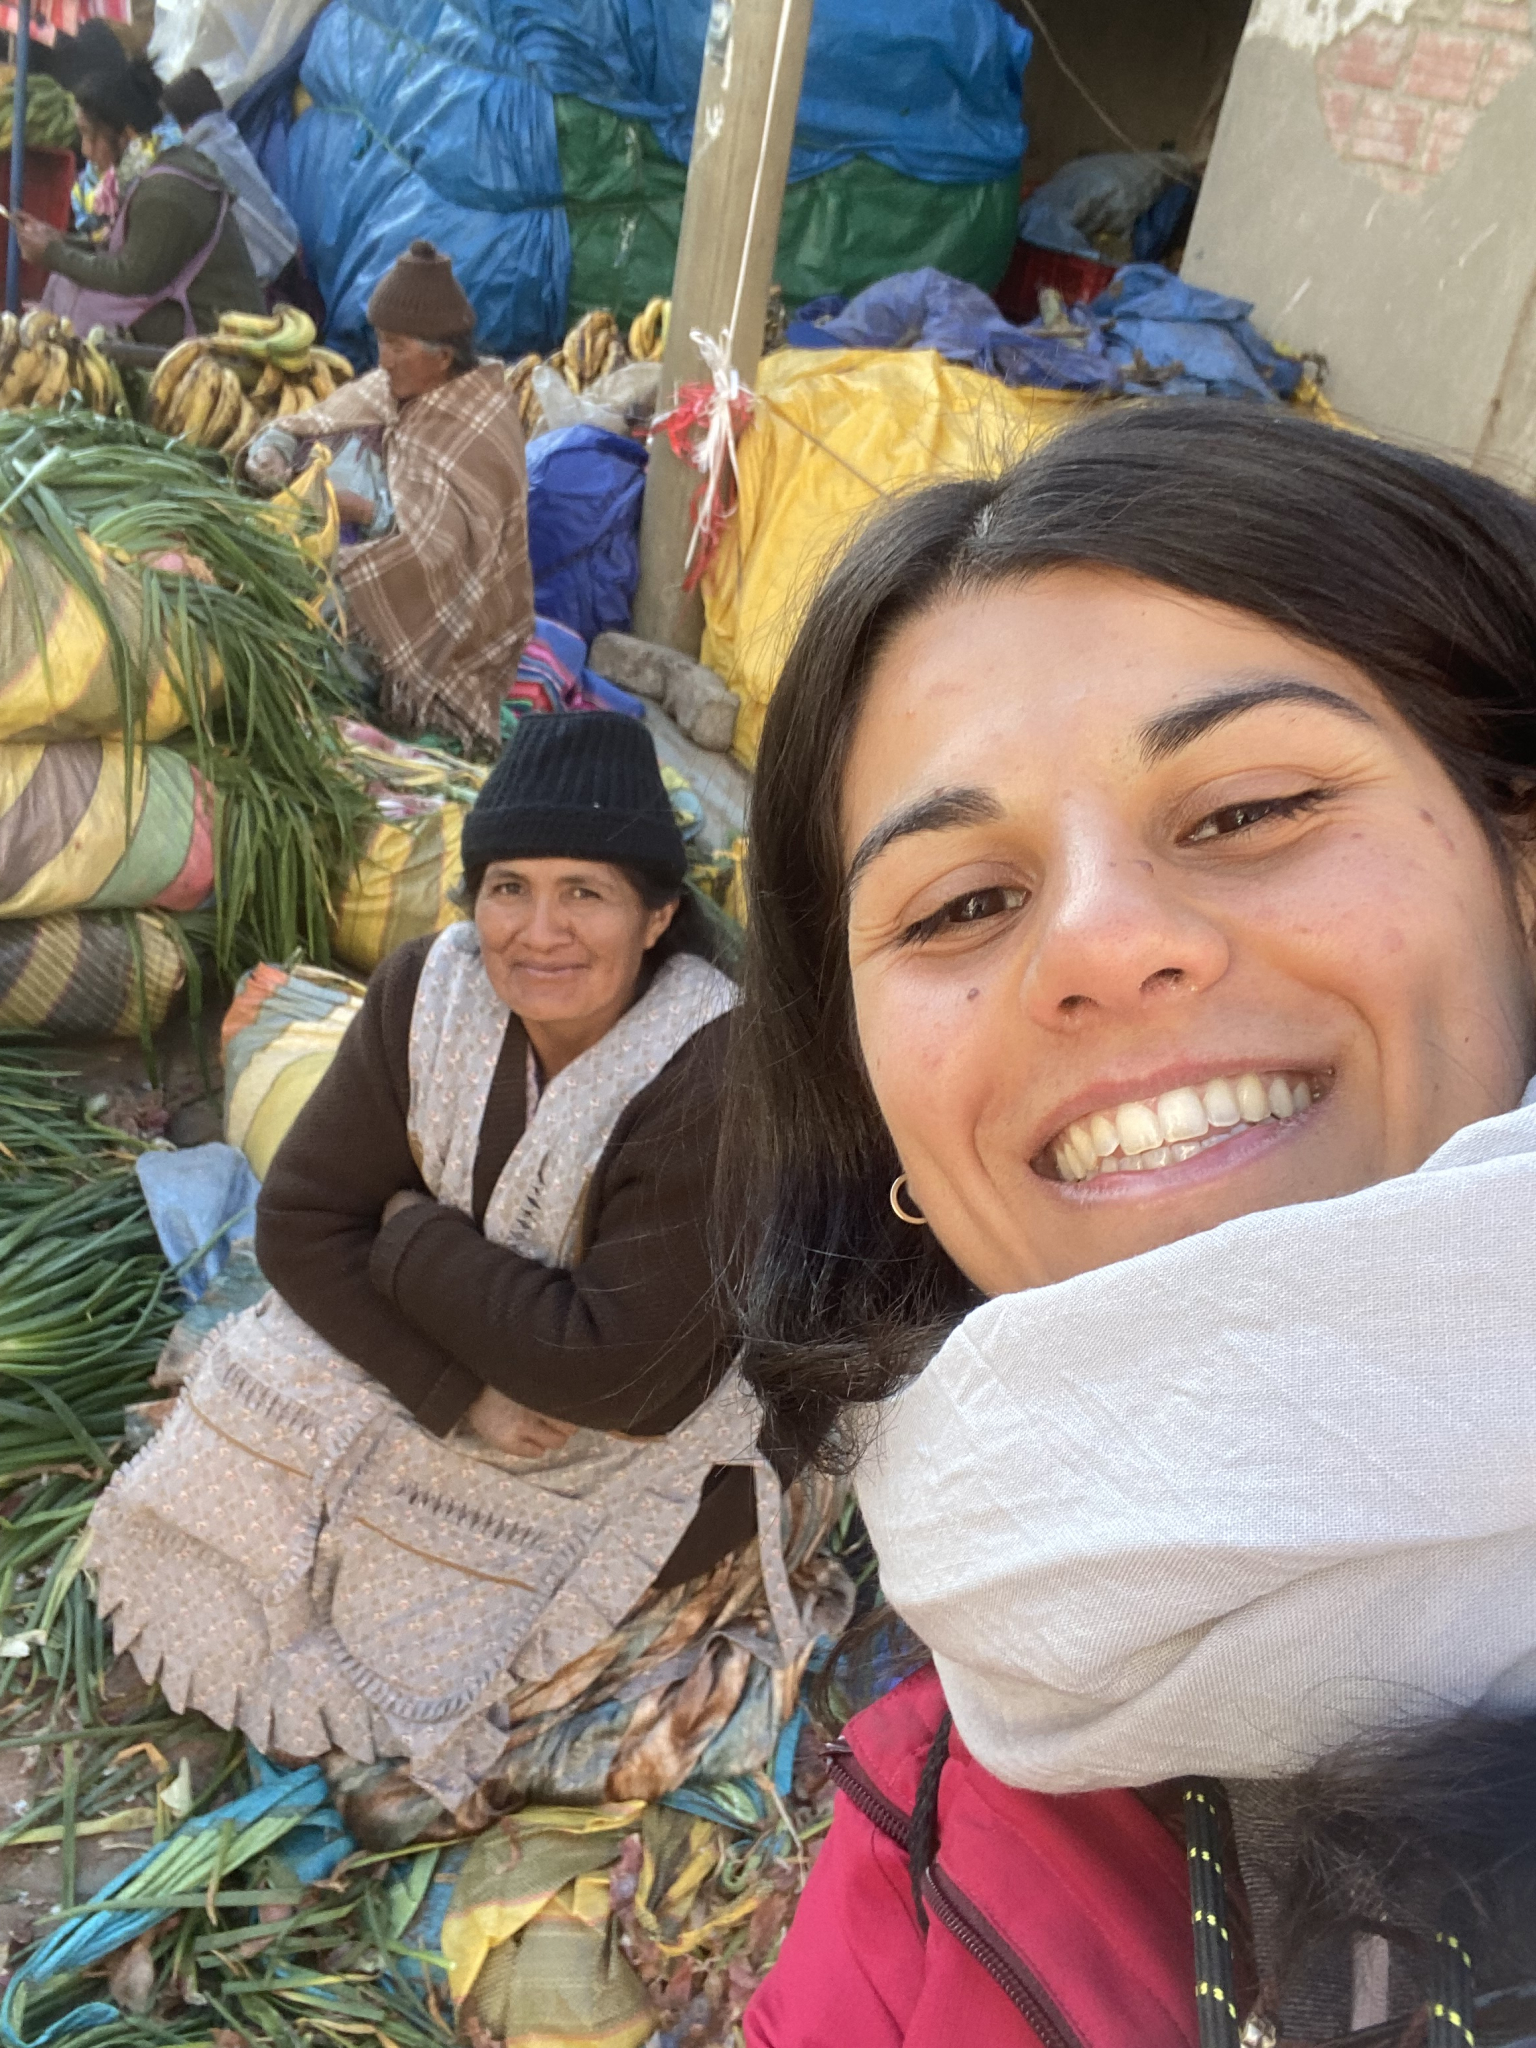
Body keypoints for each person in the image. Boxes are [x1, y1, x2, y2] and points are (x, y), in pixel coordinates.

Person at [731, 400, 1536, 2045]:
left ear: (1518, 866)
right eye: (964, 903)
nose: (1100, 945)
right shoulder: (922, 1835)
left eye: (1247, 810)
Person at [88, 713, 846, 1842]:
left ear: (657, 917)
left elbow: (624, 1378)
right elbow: (298, 1223)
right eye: (508, 888)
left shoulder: (714, 1066)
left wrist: (404, 1236)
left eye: (585, 893)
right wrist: (455, 1389)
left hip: (666, 1426)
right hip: (491, 1354)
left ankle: (401, 1684)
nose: (539, 932)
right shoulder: (425, 992)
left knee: (428, 1574)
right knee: (255, 1394)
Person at [242, 240, 534, 752]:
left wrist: (359, 511)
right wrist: (274, 449)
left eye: (397, 347)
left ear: (443, 357)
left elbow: (446, 551)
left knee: (310, 635)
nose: (383, 360)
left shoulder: (479, 424)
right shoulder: (383, 390)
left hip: (435, 627)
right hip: (343, 568)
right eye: (380, 342)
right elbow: (305, 423)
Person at [15, 57, 263, 344]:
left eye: (89, 136)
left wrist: (53, 254)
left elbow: (133, 277)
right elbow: (128, 251)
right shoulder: (149, 170)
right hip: (177, 304)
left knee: (87, 302)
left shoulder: (166, 191)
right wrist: (59, 241)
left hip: (214, 327)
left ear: (127, 135)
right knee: (66, 281)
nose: (85, 150)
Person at [160, 67, 299, 287]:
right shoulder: (225, 135)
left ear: (183, 124)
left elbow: (247, 217)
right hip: (286, 244)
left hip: (268, 269)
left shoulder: (204, 159)